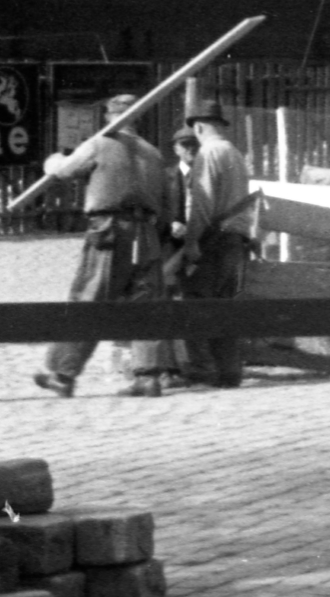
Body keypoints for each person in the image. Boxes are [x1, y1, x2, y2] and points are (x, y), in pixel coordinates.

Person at [34, 93, 178, 399]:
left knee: (89, 300)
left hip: (109, 233)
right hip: (147, 235)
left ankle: (63, 374)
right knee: (146, 306)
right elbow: (168, 207)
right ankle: (148, 377)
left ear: (109, 117)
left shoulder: (99, 144)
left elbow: (65, 170)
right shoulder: (153, 154)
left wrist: (54, 161)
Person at [173, 102, 255, 390]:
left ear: (198, 127)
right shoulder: (234, 153)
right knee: (225, 307)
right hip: (236, 239)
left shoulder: (208, 153)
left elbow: (203, 202)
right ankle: (229, 371)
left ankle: (200, 371)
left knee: (196, 303)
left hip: (215, 240)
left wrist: (193, 241)